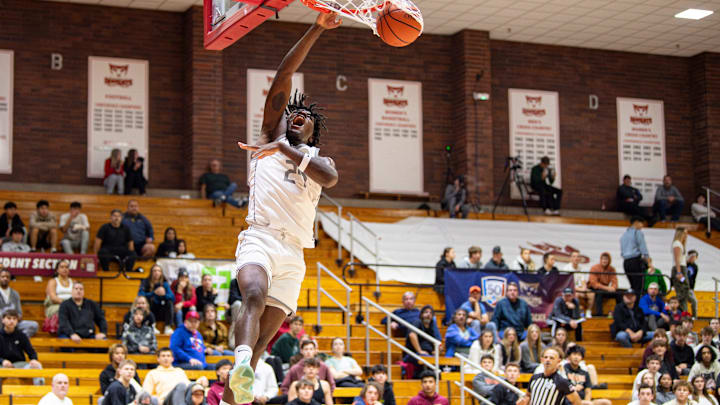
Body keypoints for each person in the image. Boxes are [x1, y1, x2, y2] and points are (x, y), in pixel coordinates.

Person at [228, 13, 342, 404]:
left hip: (295, 252)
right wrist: (317, 29)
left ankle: (237, 384)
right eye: (297, 113)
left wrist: (285, 150)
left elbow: (330, 179)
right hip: (260, 236)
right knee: (254, 296)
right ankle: (240, 360)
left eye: (309, 117)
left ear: (313, 130)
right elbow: (283, 75)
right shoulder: (267, 137)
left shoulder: (317, 160)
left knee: (264, 343)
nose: (301, 116)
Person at [142, 347, 209, 403]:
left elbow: (188, 386)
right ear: (158, 359)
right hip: (164, 401)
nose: (166, 358)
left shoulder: (179, 371)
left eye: (168, 356)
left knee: (196, 388)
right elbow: (146, 393)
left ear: (172, 359)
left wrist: (200, 381)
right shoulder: (153, 373)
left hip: (182, 400)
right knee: (181, 385)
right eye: (163, 356)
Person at [0, 309, 43, 385]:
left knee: (37, 366)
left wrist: (33, 359)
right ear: (3, 320)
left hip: (19, 364)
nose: (12, 321)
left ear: (17, 321)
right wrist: (2, 361)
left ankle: (40, 392)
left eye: (14, 319)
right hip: (2, 365)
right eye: (9, 318)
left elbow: (31, 351)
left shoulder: (21, 335)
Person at [404, 305, 442, 378]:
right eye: (426, 312)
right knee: (428, 360)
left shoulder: (432, 326)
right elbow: (412, 335)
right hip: (414, 353)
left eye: (430, 313)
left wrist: (436, 350)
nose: (428, 314)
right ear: (421, 314)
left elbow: (438, 341)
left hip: (429, 354)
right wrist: (420, 350)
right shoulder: (417, 322)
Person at [0, 267, 38, 337]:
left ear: (10, 279)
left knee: (34, 325)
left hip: (14, 323)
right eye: (2, 276)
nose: (5, 278)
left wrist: (13, 319)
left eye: (7, 277)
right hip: (1, 323)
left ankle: (17, 341)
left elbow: (20, 313)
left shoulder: (15, 294)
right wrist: (6, 319)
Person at [139, 264, 174, 334]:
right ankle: (152, 325)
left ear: (161, 273)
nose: (156, 272)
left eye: (158, 271)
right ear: (151, 272)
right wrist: (154, 293)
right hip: (151, 309)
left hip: (162, 310)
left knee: (169, 302)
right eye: (154, 271)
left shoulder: (165, 283)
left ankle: (167, 327)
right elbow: (140, 295)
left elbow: (172, 297)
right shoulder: (145, 282)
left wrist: (164, 295)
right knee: (148, 300)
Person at [671, 227, 697, 318]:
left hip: (682, 268)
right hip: (679, 269)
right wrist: (679, 272)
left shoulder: (681, 244)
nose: (686, 235)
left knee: (685, 290)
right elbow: (677, 259)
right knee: (683, 289)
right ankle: (673, 305)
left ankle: (684, 313)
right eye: (685, 233)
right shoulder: (677, 244)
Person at [621, 216, 650, 294]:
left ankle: (633, 304)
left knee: (633, 286)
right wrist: (649, 263)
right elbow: (643, 248)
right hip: (635, 261)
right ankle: (637, 305)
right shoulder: (638, 232)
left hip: (626, 262)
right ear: (636, 222)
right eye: (641, 224)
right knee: (639, 287)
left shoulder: (624, 235)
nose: (642, 226)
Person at [44, 259, 74, 332]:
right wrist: (67, 304)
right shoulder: (53, 281)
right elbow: (53, 298)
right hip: (55, 306)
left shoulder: (73, 282)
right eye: (62, 267)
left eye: (66, 267)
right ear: (57, 270)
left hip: (72, 306)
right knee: (65, 310)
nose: (64, 269)